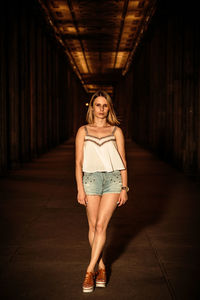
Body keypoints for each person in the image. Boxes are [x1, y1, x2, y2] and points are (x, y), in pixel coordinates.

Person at [75, 90, 129, 293]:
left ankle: (90, 271)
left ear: (109, 108)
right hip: (90, 179)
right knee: (92, 226)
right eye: (97, 105)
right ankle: (102, 267)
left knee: (100, 225)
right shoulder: (83, 131)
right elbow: (78, 162)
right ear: (92, 107)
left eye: (105, 105)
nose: (101, 109)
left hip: (112, 180)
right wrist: (80, 187)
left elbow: (123, 161)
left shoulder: (116, 131)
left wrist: (124, 187)